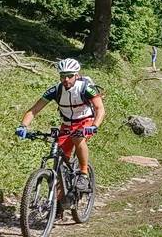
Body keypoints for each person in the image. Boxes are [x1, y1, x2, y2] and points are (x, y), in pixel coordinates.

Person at [16, 58, 105, 193]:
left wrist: (94, 126)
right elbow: (34, 110)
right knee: (59, 162)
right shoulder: (56, 90)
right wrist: (23, 126)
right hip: (67, 124)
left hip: (86, 121)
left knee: (77, 138)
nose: (66, 79)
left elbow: (100, 109)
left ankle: (84, 173)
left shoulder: (86, 88)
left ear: (76, 75)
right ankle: (58, 202)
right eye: (63, 76)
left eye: (70, 76)